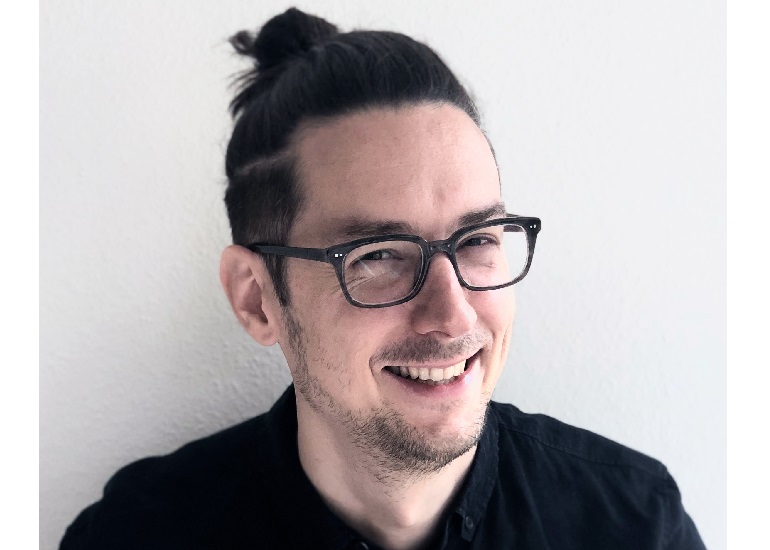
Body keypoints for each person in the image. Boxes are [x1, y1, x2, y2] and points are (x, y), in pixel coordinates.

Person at [60, 8, 705, 550]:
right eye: (377, 256)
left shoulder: (634, 524)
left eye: (478, 240)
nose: (453, 315)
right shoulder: (135, 536)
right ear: (257, 299)